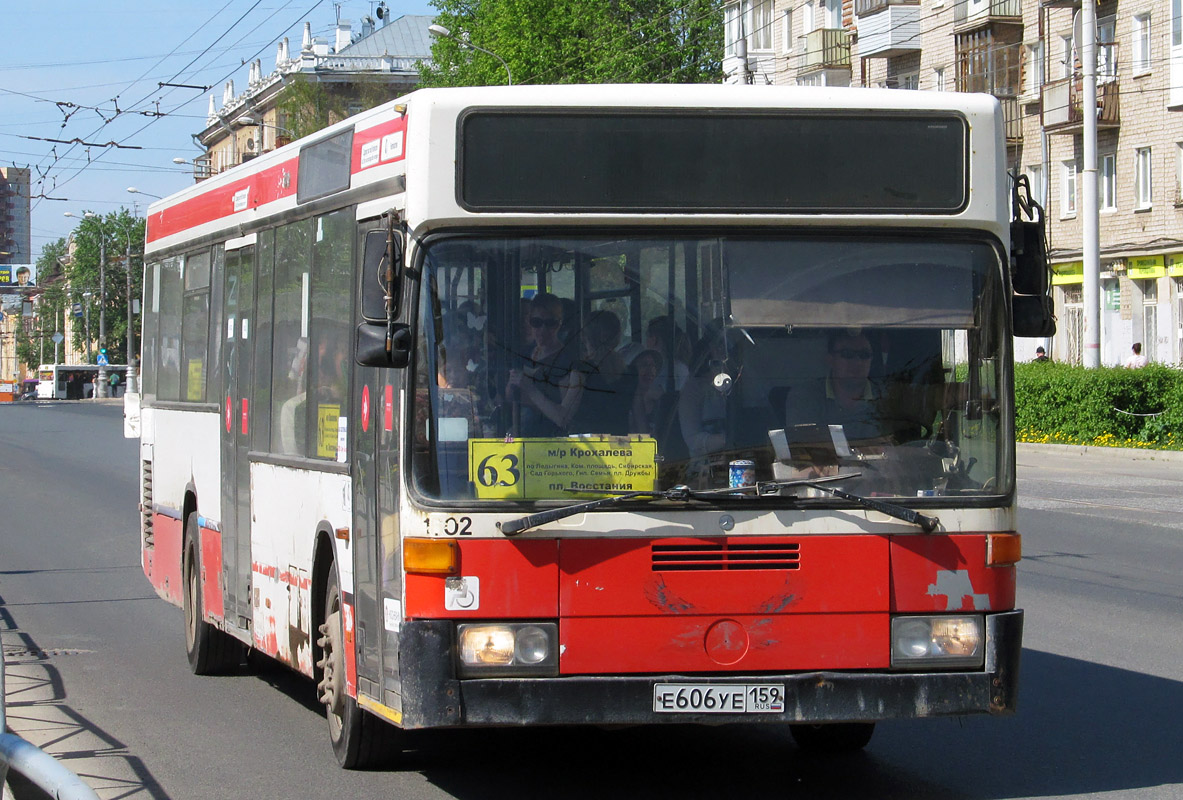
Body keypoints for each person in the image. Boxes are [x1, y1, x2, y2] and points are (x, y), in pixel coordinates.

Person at [785, 329, 885, 445]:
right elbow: (804, 450)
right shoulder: (804, 396)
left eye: (864, 355)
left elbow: (901, 448)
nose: (857, 362)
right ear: (830, 359)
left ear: (871, 360)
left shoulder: (888, 397)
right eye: (847, 354)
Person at [506, 292, 576, 436]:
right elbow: (511, 397)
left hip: (551, 443)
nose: (543, 330)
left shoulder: (567, 360)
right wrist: (512, 384)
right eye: (536, 323)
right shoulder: (524, 354)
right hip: (522, 437)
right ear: (529, 321)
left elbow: (564, 417)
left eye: (550, 323)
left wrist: (530, 390)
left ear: (560, 323)